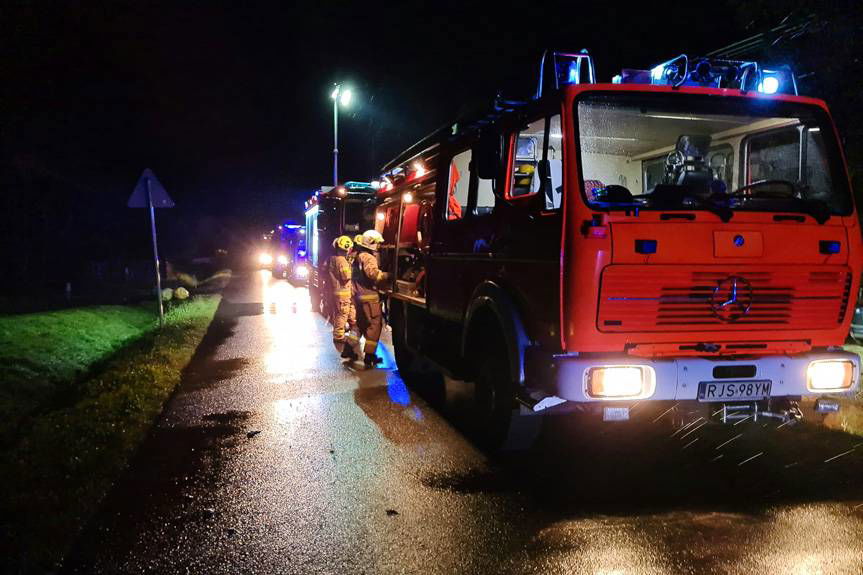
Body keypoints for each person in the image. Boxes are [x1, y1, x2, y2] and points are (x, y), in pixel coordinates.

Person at [353, 230, 389, 368]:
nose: (379, 246)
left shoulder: (358, 256)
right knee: (375, 325)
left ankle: (348, 349)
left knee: (360, 324)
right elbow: (373, 274)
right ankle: (369, 356)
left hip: (359, 295)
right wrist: (388, 275)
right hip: (369, 297)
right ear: (372, 242)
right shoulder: (369, 257)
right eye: (378, 243)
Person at [327, 235, 360, 360]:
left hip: (341, 293)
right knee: (342, 314)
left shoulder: (334, 259)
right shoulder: (341, 260)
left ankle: (353, 329)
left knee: (348, 313)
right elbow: (346, 276)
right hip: (343, 293)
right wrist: (352, 268)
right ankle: (339, 336)